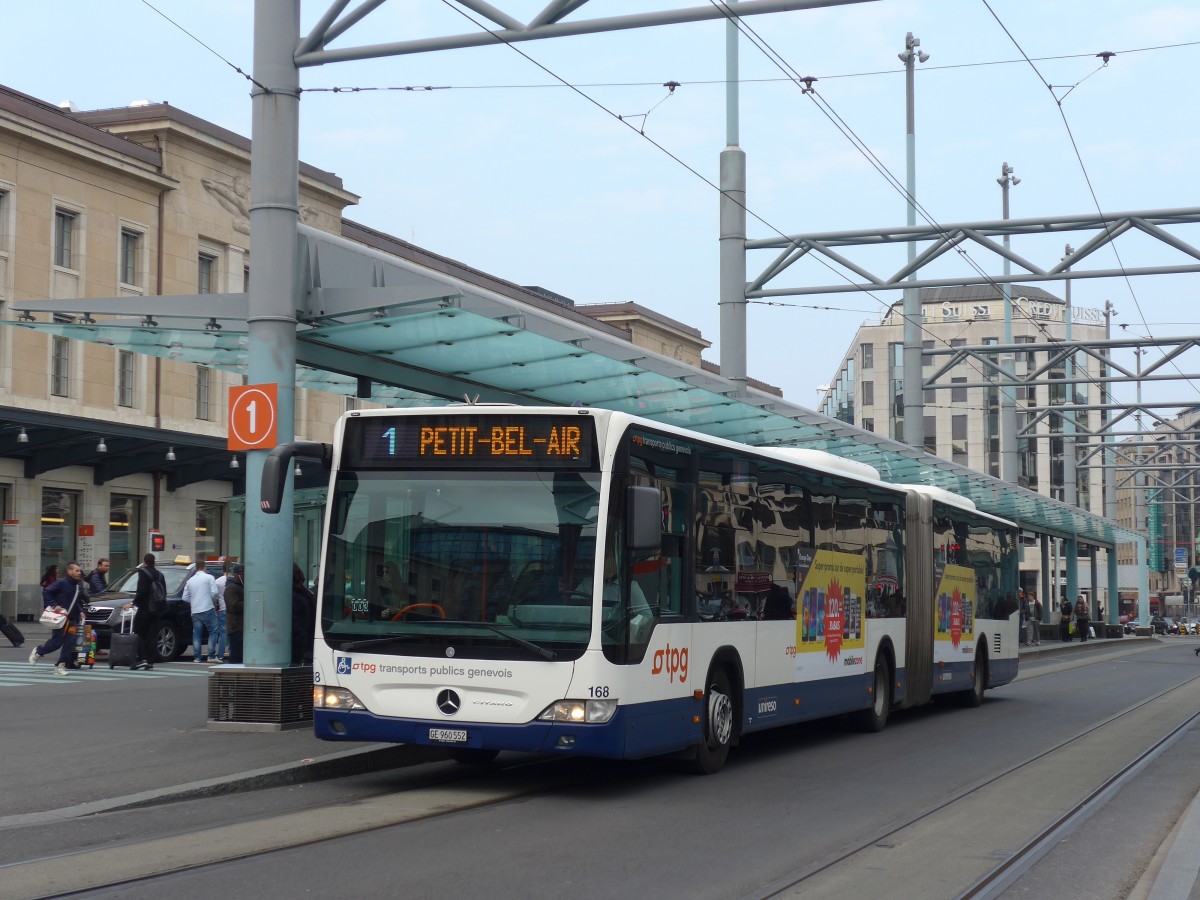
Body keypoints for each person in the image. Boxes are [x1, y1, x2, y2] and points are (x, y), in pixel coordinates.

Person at [28, 562, 88, 675]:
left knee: (69, 643)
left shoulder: (78, 584)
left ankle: (61, 666)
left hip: (72, 619)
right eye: (76, 570)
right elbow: (46, 591)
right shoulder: (61, 582)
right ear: (69, 571)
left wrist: (80, 611)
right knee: (56, 643)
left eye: (79, 571)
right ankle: (38, 651)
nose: (79, 573)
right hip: (60, 618)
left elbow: (76, 600)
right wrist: (54, 605)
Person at [130, 553, 166, 670]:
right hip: (157, 610)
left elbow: (141, 591)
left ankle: (142, 658)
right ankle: (150, 661)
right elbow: (163, 593)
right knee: (152, 635)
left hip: (145, 609)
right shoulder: (160, 575)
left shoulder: (143, 573)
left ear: (144, 562)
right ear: (154, 562)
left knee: (139, 633)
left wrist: (133, 603)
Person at [183, 558, 219, 662]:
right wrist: (213, 602)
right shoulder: (209, 577)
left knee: (197, 634)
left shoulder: (190, 581)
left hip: (195, 610)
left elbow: (184, 597)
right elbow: (215, 593)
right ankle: (211, 656)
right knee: (213, 631)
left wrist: (193, 600)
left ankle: (197, 657)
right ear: (204, 567)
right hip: (207, 607)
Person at [291, 563, 316, 666]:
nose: (299, 583)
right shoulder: (302, 595)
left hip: (302, 641)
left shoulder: (301, 594)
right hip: (301, 641)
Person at [224, 564, 245, 664]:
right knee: (236, 656)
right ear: (238, 574)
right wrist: (249, 604)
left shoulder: (242, 586)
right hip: (236, 627)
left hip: (242, 627)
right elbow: (233, 605)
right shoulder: (231, 588)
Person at [213, 561, 229, 662]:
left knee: (222, 633)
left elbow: (215, 596)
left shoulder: (218, 581)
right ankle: (232, 651)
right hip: (232, 609)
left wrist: (215, 607)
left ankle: (220, 655)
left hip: (222, 608)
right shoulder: (233, 580)